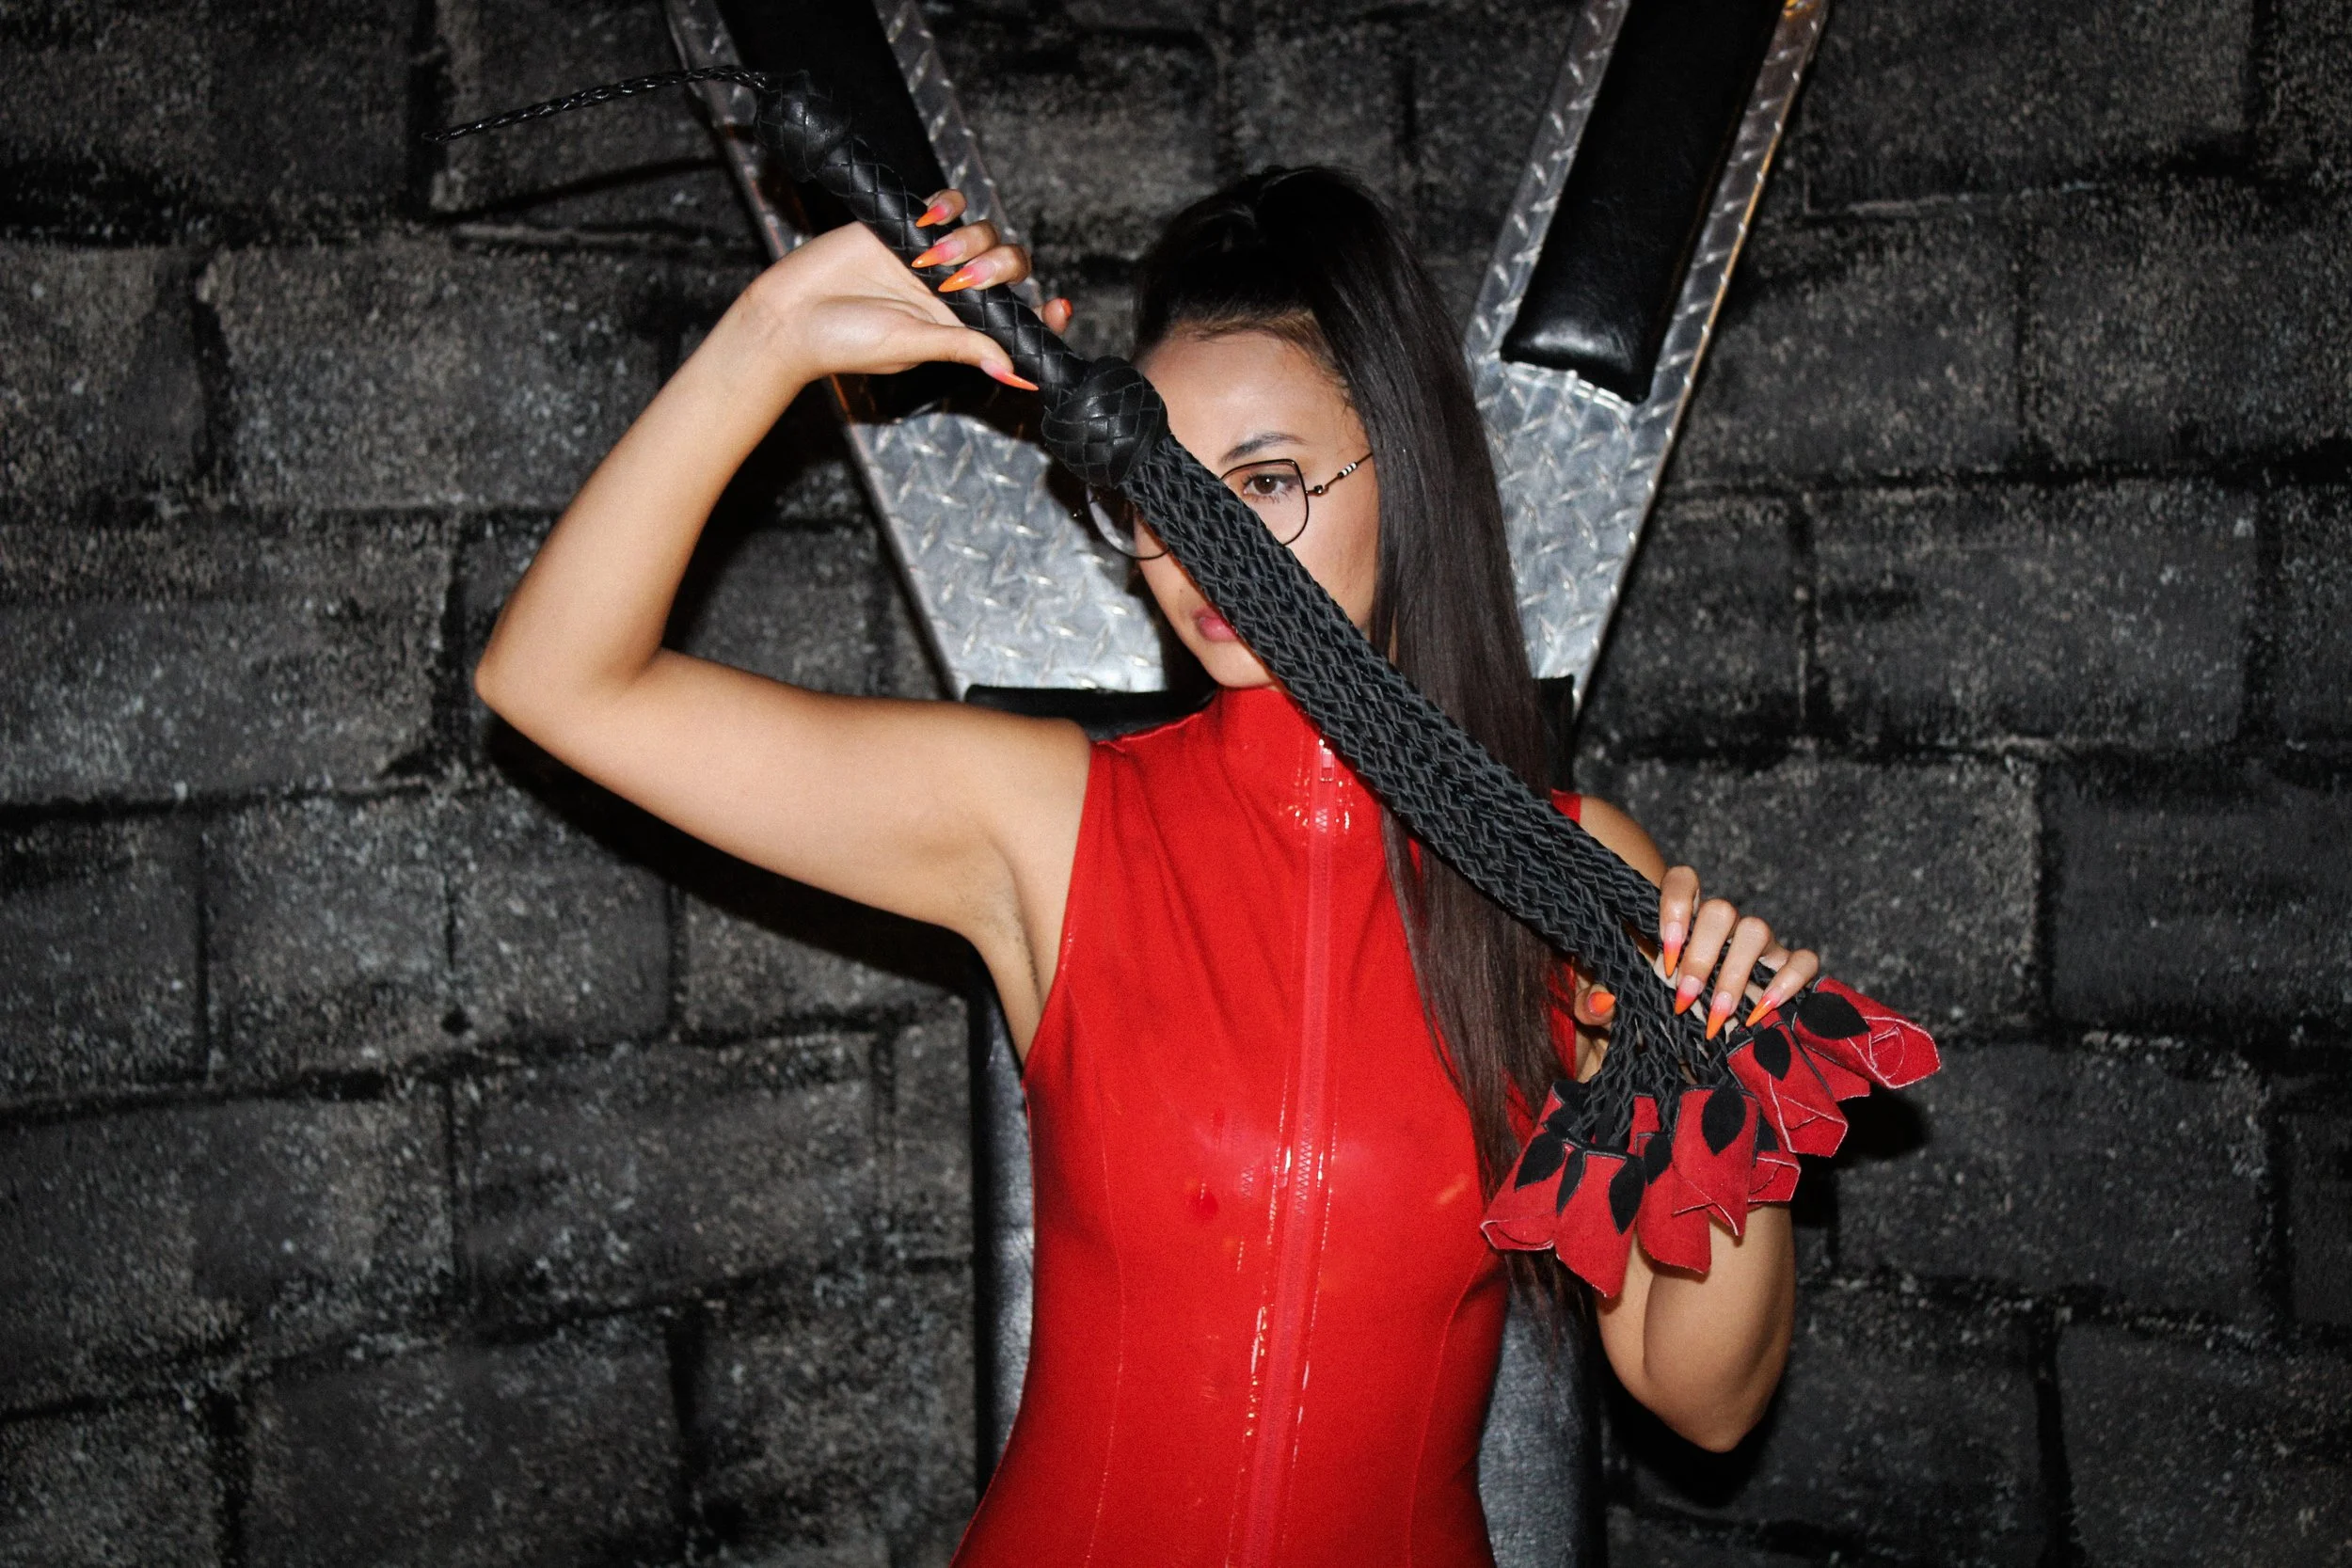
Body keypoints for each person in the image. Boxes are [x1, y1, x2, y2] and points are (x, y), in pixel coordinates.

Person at [474, 165, 1818, 1566]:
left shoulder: (1568, 869)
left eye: (1271, 479)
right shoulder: (1048, 822)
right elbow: (557, 679)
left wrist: (1733, 1087)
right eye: (1164, 488)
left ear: (1402, 471)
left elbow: (1701, 1397)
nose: (1200, 548)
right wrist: (783, 328)